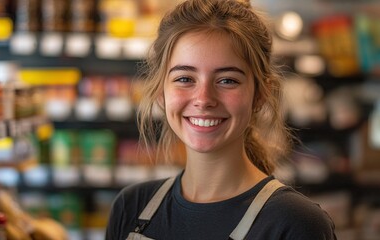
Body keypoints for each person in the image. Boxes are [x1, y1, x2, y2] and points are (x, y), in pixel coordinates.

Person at [106, 0, 337, 239]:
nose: (204, 99)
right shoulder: (131, 208)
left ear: (260, 95)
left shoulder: (296, 224)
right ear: (159, 92)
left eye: (227, 80)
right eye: (185, 79)